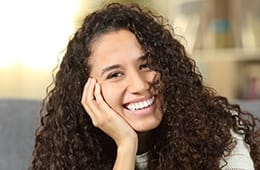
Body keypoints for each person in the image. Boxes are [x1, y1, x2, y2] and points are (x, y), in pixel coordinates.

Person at [31, 2, 260, 170]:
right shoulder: (69, 153)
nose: (140, 85)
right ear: (88, 92)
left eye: (146, 64)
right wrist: (126, 146)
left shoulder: (216, 127)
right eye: (115, 74)